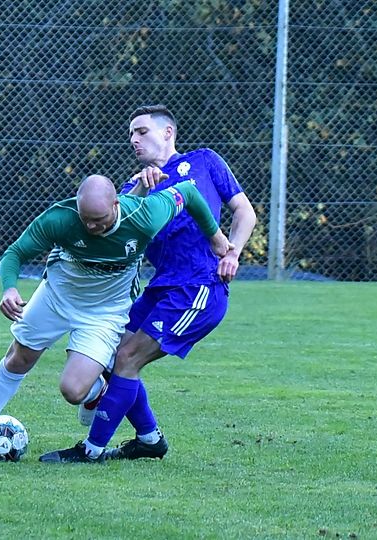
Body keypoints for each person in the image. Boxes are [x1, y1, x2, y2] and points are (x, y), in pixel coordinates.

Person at [0, 174, 232, 462]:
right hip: (57, 296)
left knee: (73, 391)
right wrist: (9, 288)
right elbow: (15, 253)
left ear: (116, 204)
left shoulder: (145, 215)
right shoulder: (60, 218)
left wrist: (217, 237)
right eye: (86, 219)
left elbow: (188, 192)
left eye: (99, 220)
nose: (91, 227)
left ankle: (95, 395)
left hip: (104, 312)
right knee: (18, 358)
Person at [40, 104, 256, 463]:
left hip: (199, 287)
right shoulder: (133, 187)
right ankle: (149, 440)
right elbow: (112, 235)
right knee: (113, 353)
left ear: (168, 132)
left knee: (127, 358)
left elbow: (245, 211)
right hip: (160, 287)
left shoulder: (204, 161)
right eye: (130, 134)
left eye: (141, 131)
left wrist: (232, 253)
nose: (134, 140)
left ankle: (91, 451)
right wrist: (140, 188)